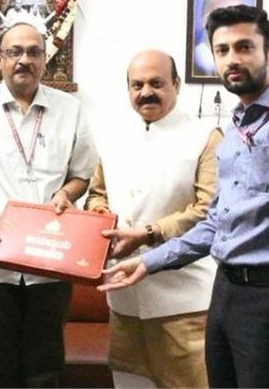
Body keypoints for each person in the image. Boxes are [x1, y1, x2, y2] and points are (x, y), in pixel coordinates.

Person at [102, 5, 269, 387]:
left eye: (244, 47)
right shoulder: (235, 128)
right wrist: (148, 263)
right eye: (222, 50)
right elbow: (217, 222)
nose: (232, 59)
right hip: (226, 290)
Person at [0, 22, 97, 387]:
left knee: (45, 363)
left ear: (45, 60)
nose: (24, 60)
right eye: (14, 51)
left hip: (50, 257)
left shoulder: (69, 109)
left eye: (33, 52)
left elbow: (82, 175)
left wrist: (67, 194)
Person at [85, 49, 220, 388]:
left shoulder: (206, 136)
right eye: (137, 84)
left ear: (176, 84)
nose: (146, 92)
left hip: (184, 303)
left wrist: (148, 233)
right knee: (130, 384)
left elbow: (209, 211)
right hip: (124, 303)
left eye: (157, 83)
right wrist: (98, 215)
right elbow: (96, 193)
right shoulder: (113, 136)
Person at [193, 0, 245, 77]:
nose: (236, 22)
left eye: (241, 16)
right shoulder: (202, 61)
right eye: (226, 16)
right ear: (205, 21)